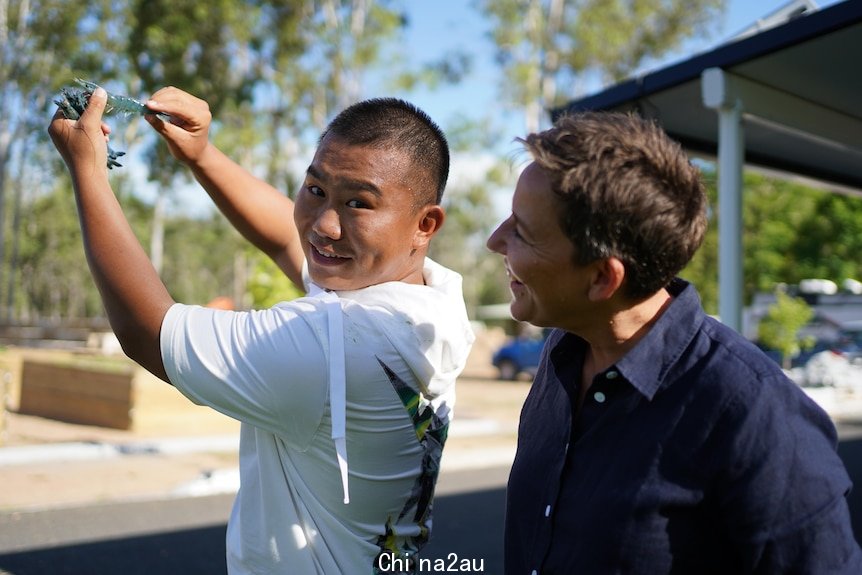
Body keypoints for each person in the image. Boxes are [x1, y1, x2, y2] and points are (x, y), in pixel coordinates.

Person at [48, 86, 475, 574]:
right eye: (315, 190)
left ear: (426, 224)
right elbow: (283, 238)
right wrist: (202, 155)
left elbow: (150, 333)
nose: (325, 226)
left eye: (358, 203)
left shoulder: (332, 344)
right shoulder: (432, 300)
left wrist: (86, 170)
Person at [487, 111, 862, 574]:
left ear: (603, 278)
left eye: (521, 231)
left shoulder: (760, 419)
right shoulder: (562, 355)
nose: (494, 240)